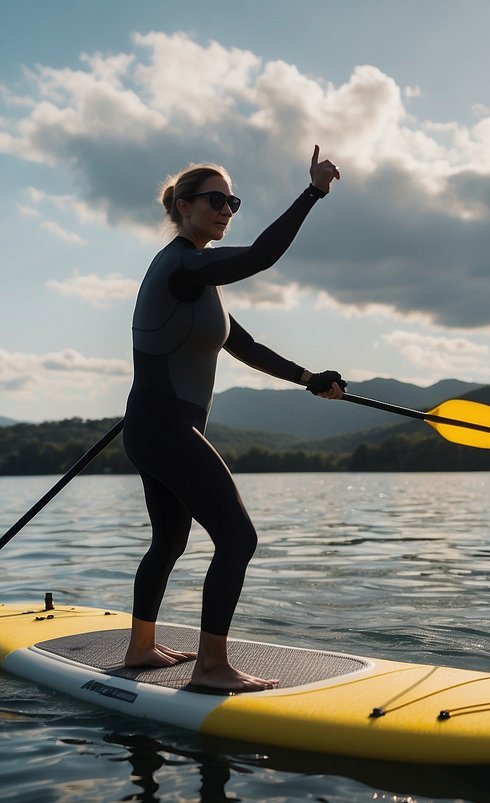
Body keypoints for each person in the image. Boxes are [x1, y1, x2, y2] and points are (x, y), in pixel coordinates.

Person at [122, 145, 345, 692]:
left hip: (156, 428)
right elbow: (262, 256)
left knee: (170, 542)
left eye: (233, 201)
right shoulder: (180, 265)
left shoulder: (200, 278)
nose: (226, 209)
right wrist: (312, 193)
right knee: (237, 538)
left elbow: (243, 345)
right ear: (182, 205)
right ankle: (212, 668)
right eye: (215, 200)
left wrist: (306, 378)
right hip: (163, 428)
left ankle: (141, 648)